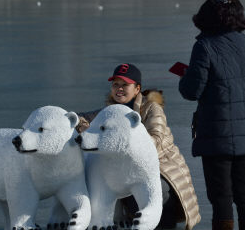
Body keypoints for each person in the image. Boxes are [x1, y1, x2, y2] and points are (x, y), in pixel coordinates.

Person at [77, 63, 201, 230]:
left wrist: (128, 142)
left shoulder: (151, 108)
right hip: (126, 169)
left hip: (162, 166)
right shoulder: (110, 113)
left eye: (125, 85)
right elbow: (79, 118)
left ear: (137, 89)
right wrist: (87, 130)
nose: (119, 89)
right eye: (115, 84)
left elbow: (156, 139)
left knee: (159, 192)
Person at [178, 0, 245, 230]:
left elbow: (192, 91)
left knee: (221, 196)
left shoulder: (204, 46)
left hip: (217, 132)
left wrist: (185, 76)